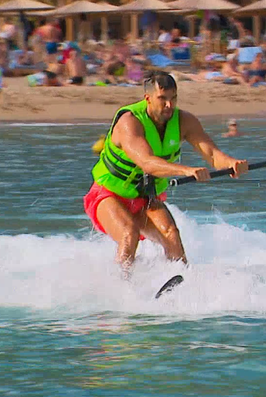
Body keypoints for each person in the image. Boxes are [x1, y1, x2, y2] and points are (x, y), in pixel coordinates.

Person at [83, 71, 249, 274]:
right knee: (129, 233)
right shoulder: (129, 122)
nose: (169, 105)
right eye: (162, 99)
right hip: (109, 194)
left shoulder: (184, 121)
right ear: (148, 98)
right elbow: (147, 163)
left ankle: (180, 283)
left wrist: (233, 164)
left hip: (147, 197)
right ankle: (120, 287)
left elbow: (214, 156)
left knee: (171, 233)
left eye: (173, 98)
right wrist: (186, 170)